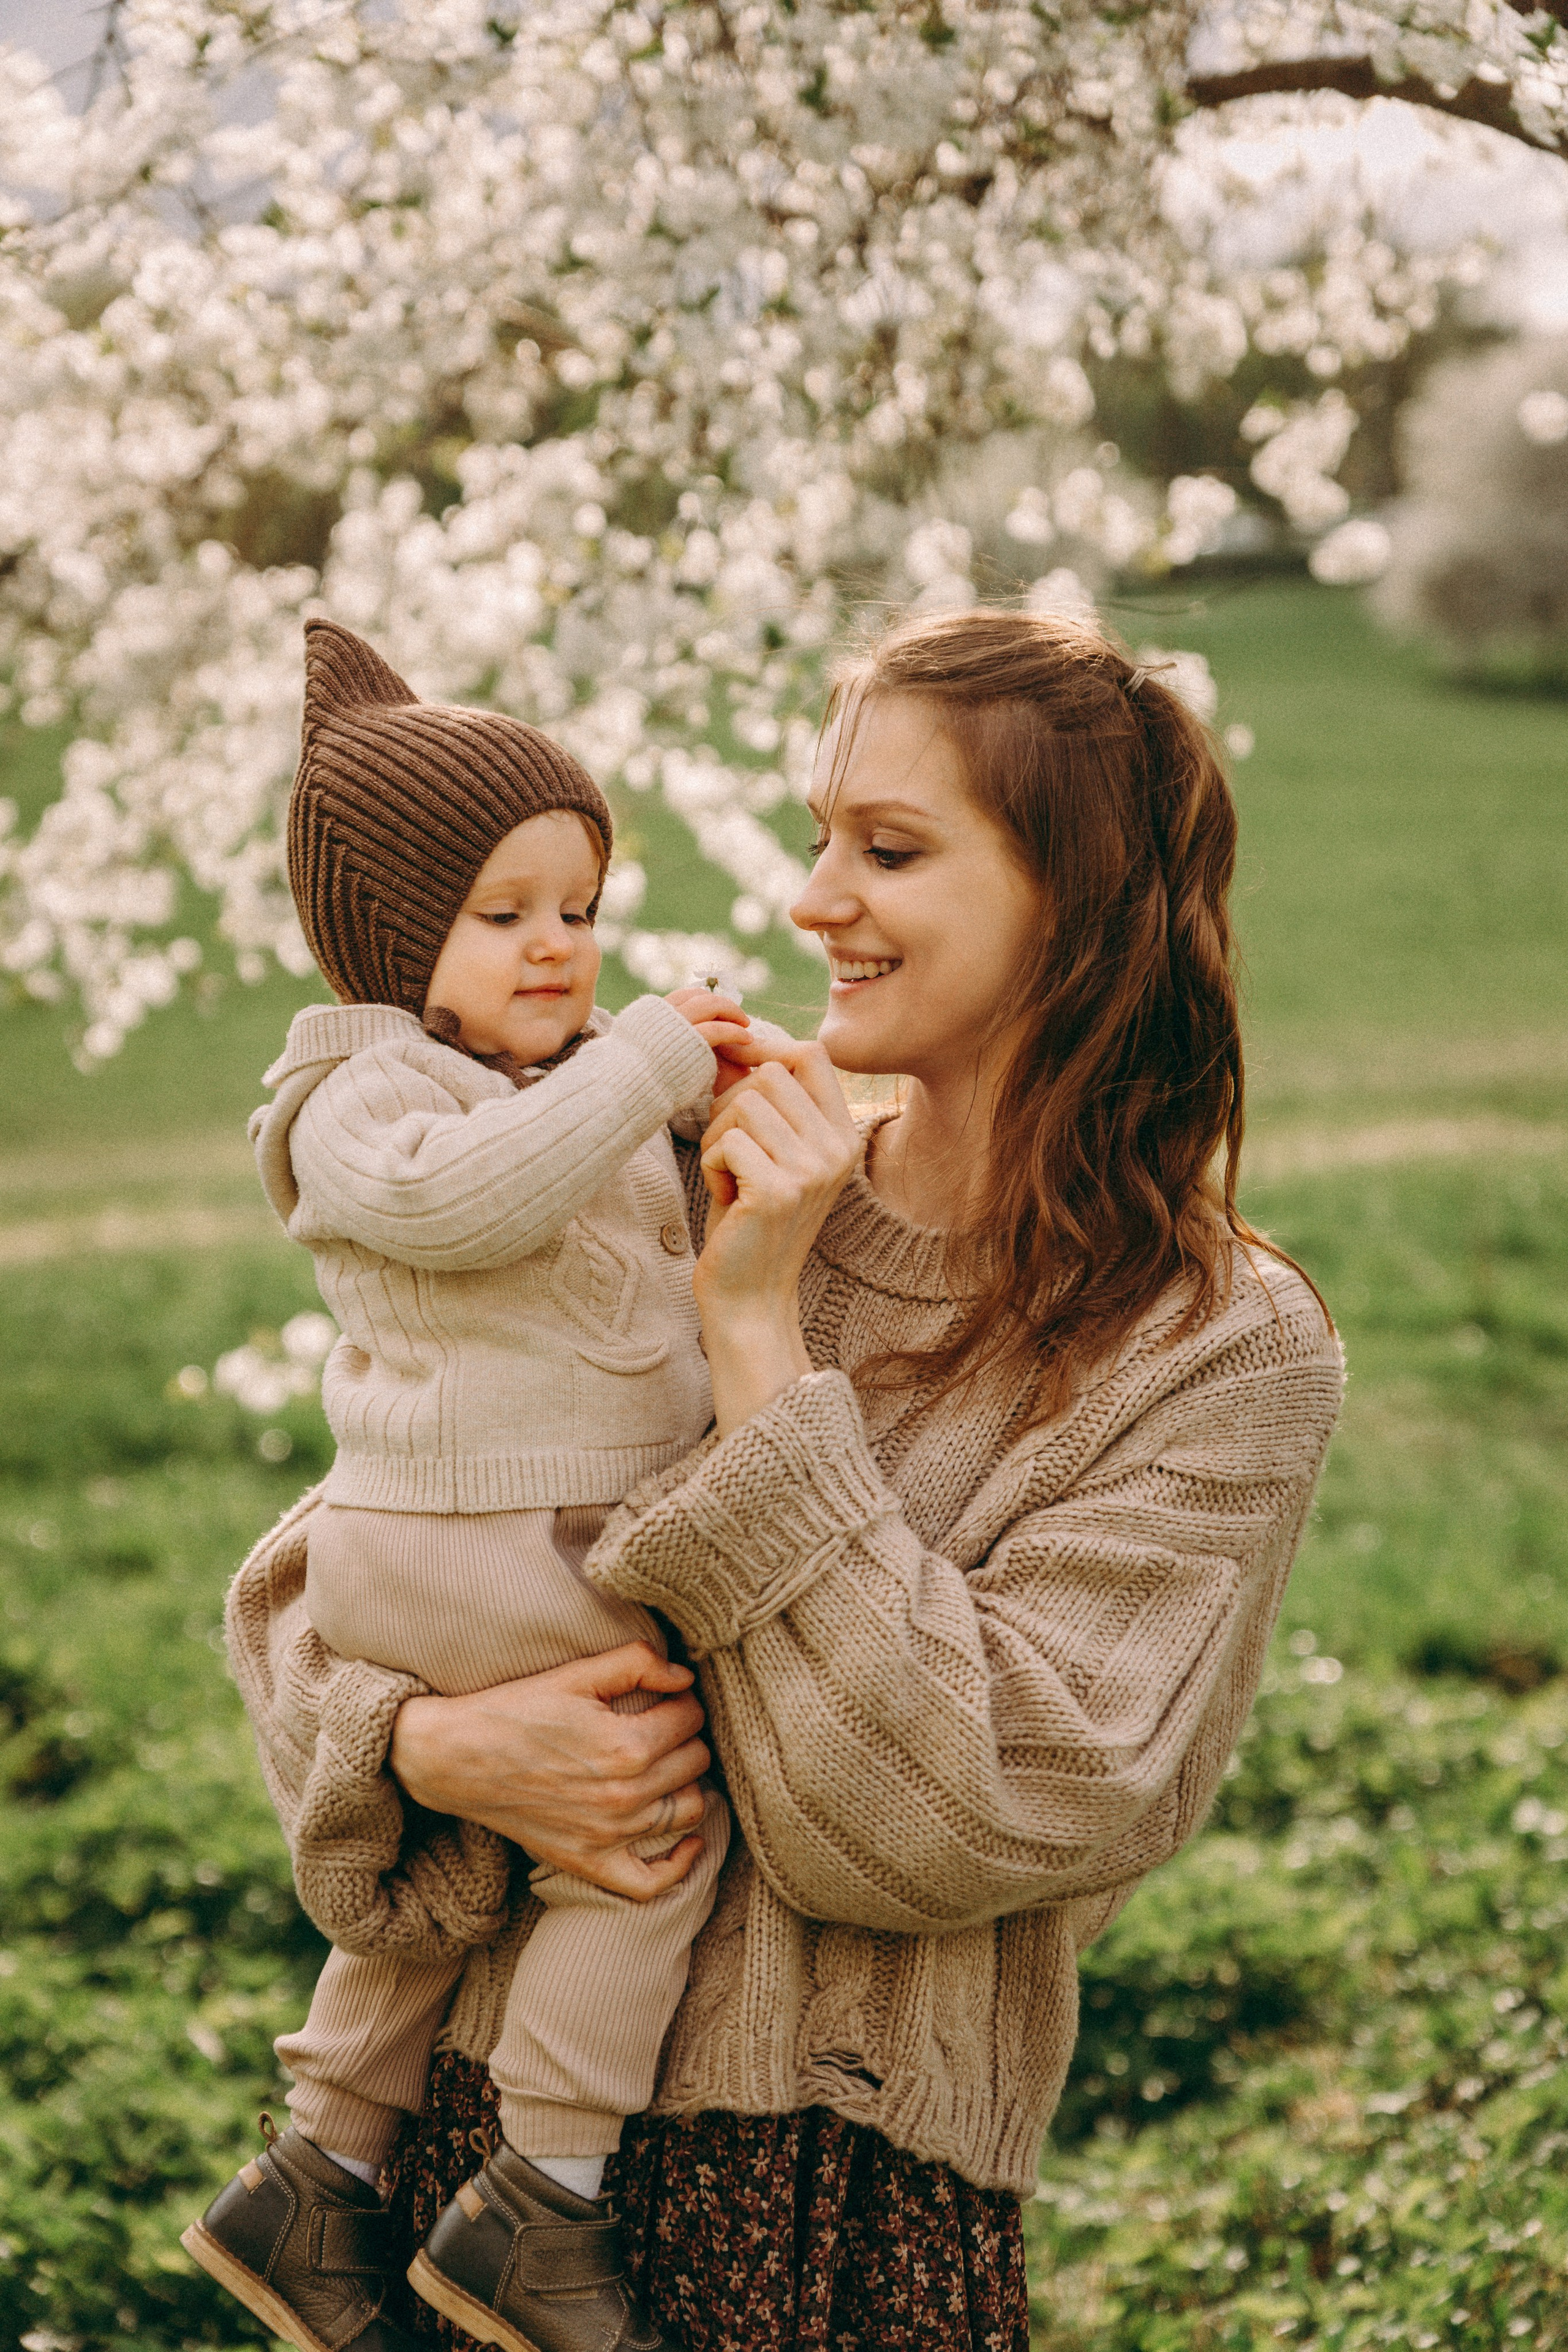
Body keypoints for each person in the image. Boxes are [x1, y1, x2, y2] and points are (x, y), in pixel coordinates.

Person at [222, 608, 1345, 2352]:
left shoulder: (1212, 1348)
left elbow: (951, 1818)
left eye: (888, 851)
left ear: (1081, 900)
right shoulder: (648, 1156)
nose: (815, 900)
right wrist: (427, 1751)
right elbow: (330, 1578)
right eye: (824, 835)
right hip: (473, 2189)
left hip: (836, 2215)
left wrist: (756, 1339)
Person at [184, 620, 781, 2352]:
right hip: (477, 1538)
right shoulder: (360, 1092)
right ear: (392, 930)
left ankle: (317, 2170)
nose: (558, 949)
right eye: (504, 913)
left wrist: (699, 1116)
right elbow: (470, 1204)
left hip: (491, 1544)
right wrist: (645, 1068)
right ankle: (543, 2198)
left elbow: (580, 1221)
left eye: (580, 912)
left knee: (473, 1859)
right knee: (644, 1828)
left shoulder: (530, 1092)